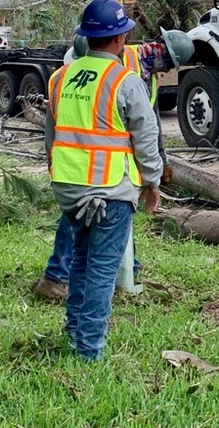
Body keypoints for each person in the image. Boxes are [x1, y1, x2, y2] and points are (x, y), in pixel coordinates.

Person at [41, 0, 166, 361]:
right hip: (109, 190)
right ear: (119, 39)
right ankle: (89, 350)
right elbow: (146, 137)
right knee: (101, 269)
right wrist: (152, 183)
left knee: (80, 258)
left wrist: (60, 174)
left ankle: (75, 333)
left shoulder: (60, 77)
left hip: (68, 187)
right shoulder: (124, 81)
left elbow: (51, 135)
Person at [34, 24, 193, 303]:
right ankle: (58, 277)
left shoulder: (147, 74)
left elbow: (149, 125)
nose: (168, 70)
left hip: (107, 169)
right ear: (161, 50)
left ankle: (128, 269)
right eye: (170, 62)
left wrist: (159, 166)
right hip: (91, 166)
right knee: (85, 233)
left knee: (110, 220)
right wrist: (151, 175)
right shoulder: (124, 67)